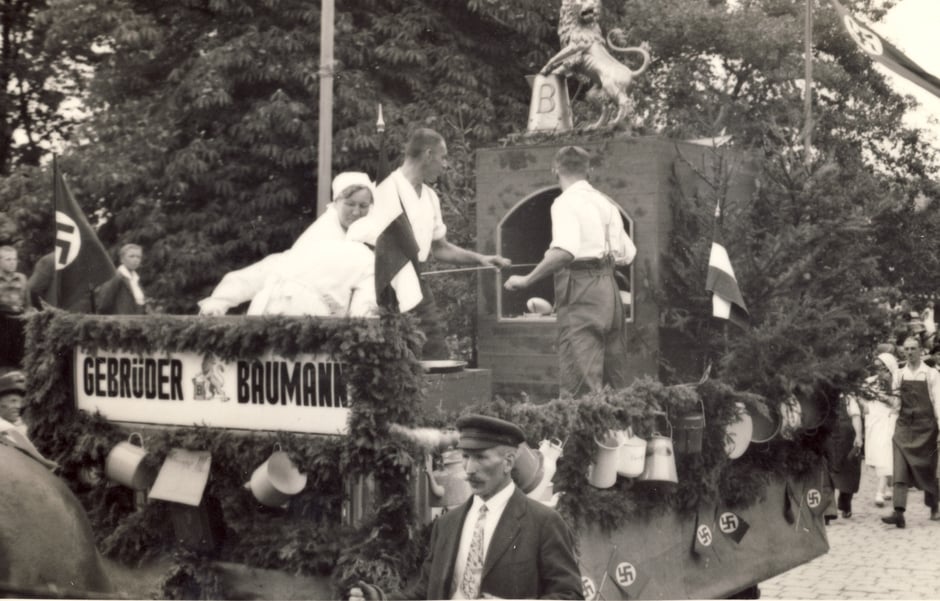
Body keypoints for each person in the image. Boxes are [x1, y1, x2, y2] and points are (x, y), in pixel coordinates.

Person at [349, 414, 583, 600]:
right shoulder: (447, 525)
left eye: (480, 458)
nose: (469, 469)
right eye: (465, 457)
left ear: (508, 462)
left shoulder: (543, 523)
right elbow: (425, 593)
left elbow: (570, 596)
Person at [352, 128, 511, 359]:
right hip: (382, 281)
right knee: (386, 353)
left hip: (417, 281)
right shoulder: (384, 189)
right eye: (443, 157)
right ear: (428, 154)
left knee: (434, 350)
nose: (445, 164)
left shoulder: (430, 197)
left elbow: (441, 248)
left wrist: (482, 259)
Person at [503, 145, 636, 396]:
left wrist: (526, 280)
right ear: (590, 171)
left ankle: (582, 436)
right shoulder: (605, 203)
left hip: (582, 291)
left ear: (555, 169)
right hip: (609, 291)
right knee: (614, 383)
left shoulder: (564, 203)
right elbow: (628, 255)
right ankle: (621, 435)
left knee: (580, 384)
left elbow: (565, 251)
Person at [198, 172, 401, 317]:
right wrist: (219, 301)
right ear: (336, 203)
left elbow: (364, 300)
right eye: (350, 204)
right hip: (294, 314)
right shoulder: (318, 237)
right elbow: (268, 271)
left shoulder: (367, 246)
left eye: (363, 206)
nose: (356, 212)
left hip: (303, 319)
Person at [881, 336, 940, 528]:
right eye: (906, 349)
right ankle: (899, 512)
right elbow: (896, 403)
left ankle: (934, 505)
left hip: (926, 428)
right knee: (900, 467)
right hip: (904, 427)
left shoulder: (931, 374)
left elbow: (938, 403)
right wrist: (884, 398)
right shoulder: (899, 374)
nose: (909, 352)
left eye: (913, 348)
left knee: (928, 467)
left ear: (921, 350)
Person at [862, 352, 899, 507]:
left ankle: (880, 491)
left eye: (883, 368)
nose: (880, 371)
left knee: (885, 452)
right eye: (877, 367)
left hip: (888, 419)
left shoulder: (896, 382)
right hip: (874, 420)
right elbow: (861, 395)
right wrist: (865, 404)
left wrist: (886, 399)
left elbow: (897, 403)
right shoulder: (870, 382)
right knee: (879, 455)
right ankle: (890, 486)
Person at [824, 388, 863, 520]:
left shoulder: (848, 397)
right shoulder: (823, 394)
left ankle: (845, 503)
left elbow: (856, 416)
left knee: (848, 472)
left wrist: (858, 436)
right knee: (827, 473)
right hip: (828, 438)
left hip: (846, 439)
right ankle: (828, 510)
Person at [95, 243, 147, 315]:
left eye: (138, 257)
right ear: (122, 259)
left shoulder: (136, 279)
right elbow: (103, 304)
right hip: (121, 323)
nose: (136, 260)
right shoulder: (115, 277)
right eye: (131, 256)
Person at [0, 246, 30, 367]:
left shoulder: (22, 278)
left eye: (14, 259)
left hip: (18, 327)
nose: (13, 263)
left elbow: (28, 304)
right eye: (8, 260)